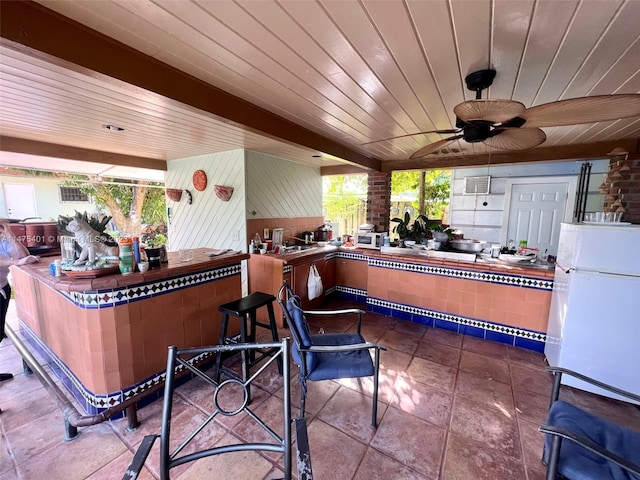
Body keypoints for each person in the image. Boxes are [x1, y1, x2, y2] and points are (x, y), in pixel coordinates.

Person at [0, 220, 40, 383]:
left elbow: (23, 255)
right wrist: (15, 262)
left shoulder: (3, 240)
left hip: (2, 288)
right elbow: (18, 260)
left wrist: (10, 236)